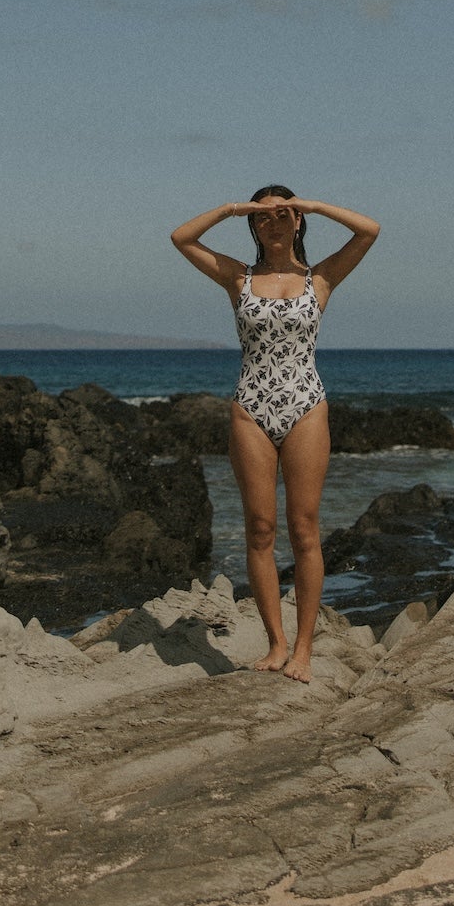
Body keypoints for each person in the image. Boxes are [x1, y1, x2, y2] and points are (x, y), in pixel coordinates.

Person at [169, 187, 380, 682]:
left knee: (304, 529)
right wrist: (233, 209)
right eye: (263, 217)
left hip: (306, 405)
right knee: (260, 529)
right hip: (251, 407)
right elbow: (181, 238)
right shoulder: (237, 277)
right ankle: (276, 643)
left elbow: (369, 230)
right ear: (253, 225)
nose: (274, 222)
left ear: (298, 220)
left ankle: (303, 649)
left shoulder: (320, 277)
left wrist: (314, 204)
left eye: (283, 214)